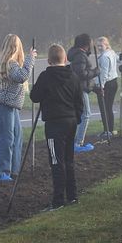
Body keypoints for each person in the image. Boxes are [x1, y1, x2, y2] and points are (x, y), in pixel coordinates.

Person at [30, 44, 83, 211]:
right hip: (71, 121)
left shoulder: (46, 76)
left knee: (56, 161)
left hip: (54, 124)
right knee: (68, 159)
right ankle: (72, 195)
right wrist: (77, 118)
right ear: (65, 59)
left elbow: (34, 96)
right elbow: (79, 102)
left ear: (48, 60)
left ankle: (58, 200)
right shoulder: (73, 76)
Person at [0, 34, 36, 182]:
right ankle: (2, 173)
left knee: (17, 137)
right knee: (6, 138)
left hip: (10, 104)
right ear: (17, 47)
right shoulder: (11, 63)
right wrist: (30, 58)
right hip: (4, 104)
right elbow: (22, 76)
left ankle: (14, 170)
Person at [68, 33, 100, 152]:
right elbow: (81, 74)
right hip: (80, 90)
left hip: (79, 88)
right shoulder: (80, 56)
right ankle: (77, 143)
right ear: (86, 44)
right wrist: (95, 72)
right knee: (86, 115)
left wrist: (95, 88)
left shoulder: (77, 54)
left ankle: (74, 142)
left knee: (79, 115)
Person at [94, 36, 119, 140]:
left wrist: (101, 87)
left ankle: (107, 131)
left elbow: (104, 73)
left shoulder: (105, 57)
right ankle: (109, 130)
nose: (99, 47)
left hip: (107, 84)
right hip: (113, 82)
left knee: (104, 108)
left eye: (101, 45)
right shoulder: (111, 52)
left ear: (106, 45)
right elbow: (118, 58)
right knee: (108, 107)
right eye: (98, 45)